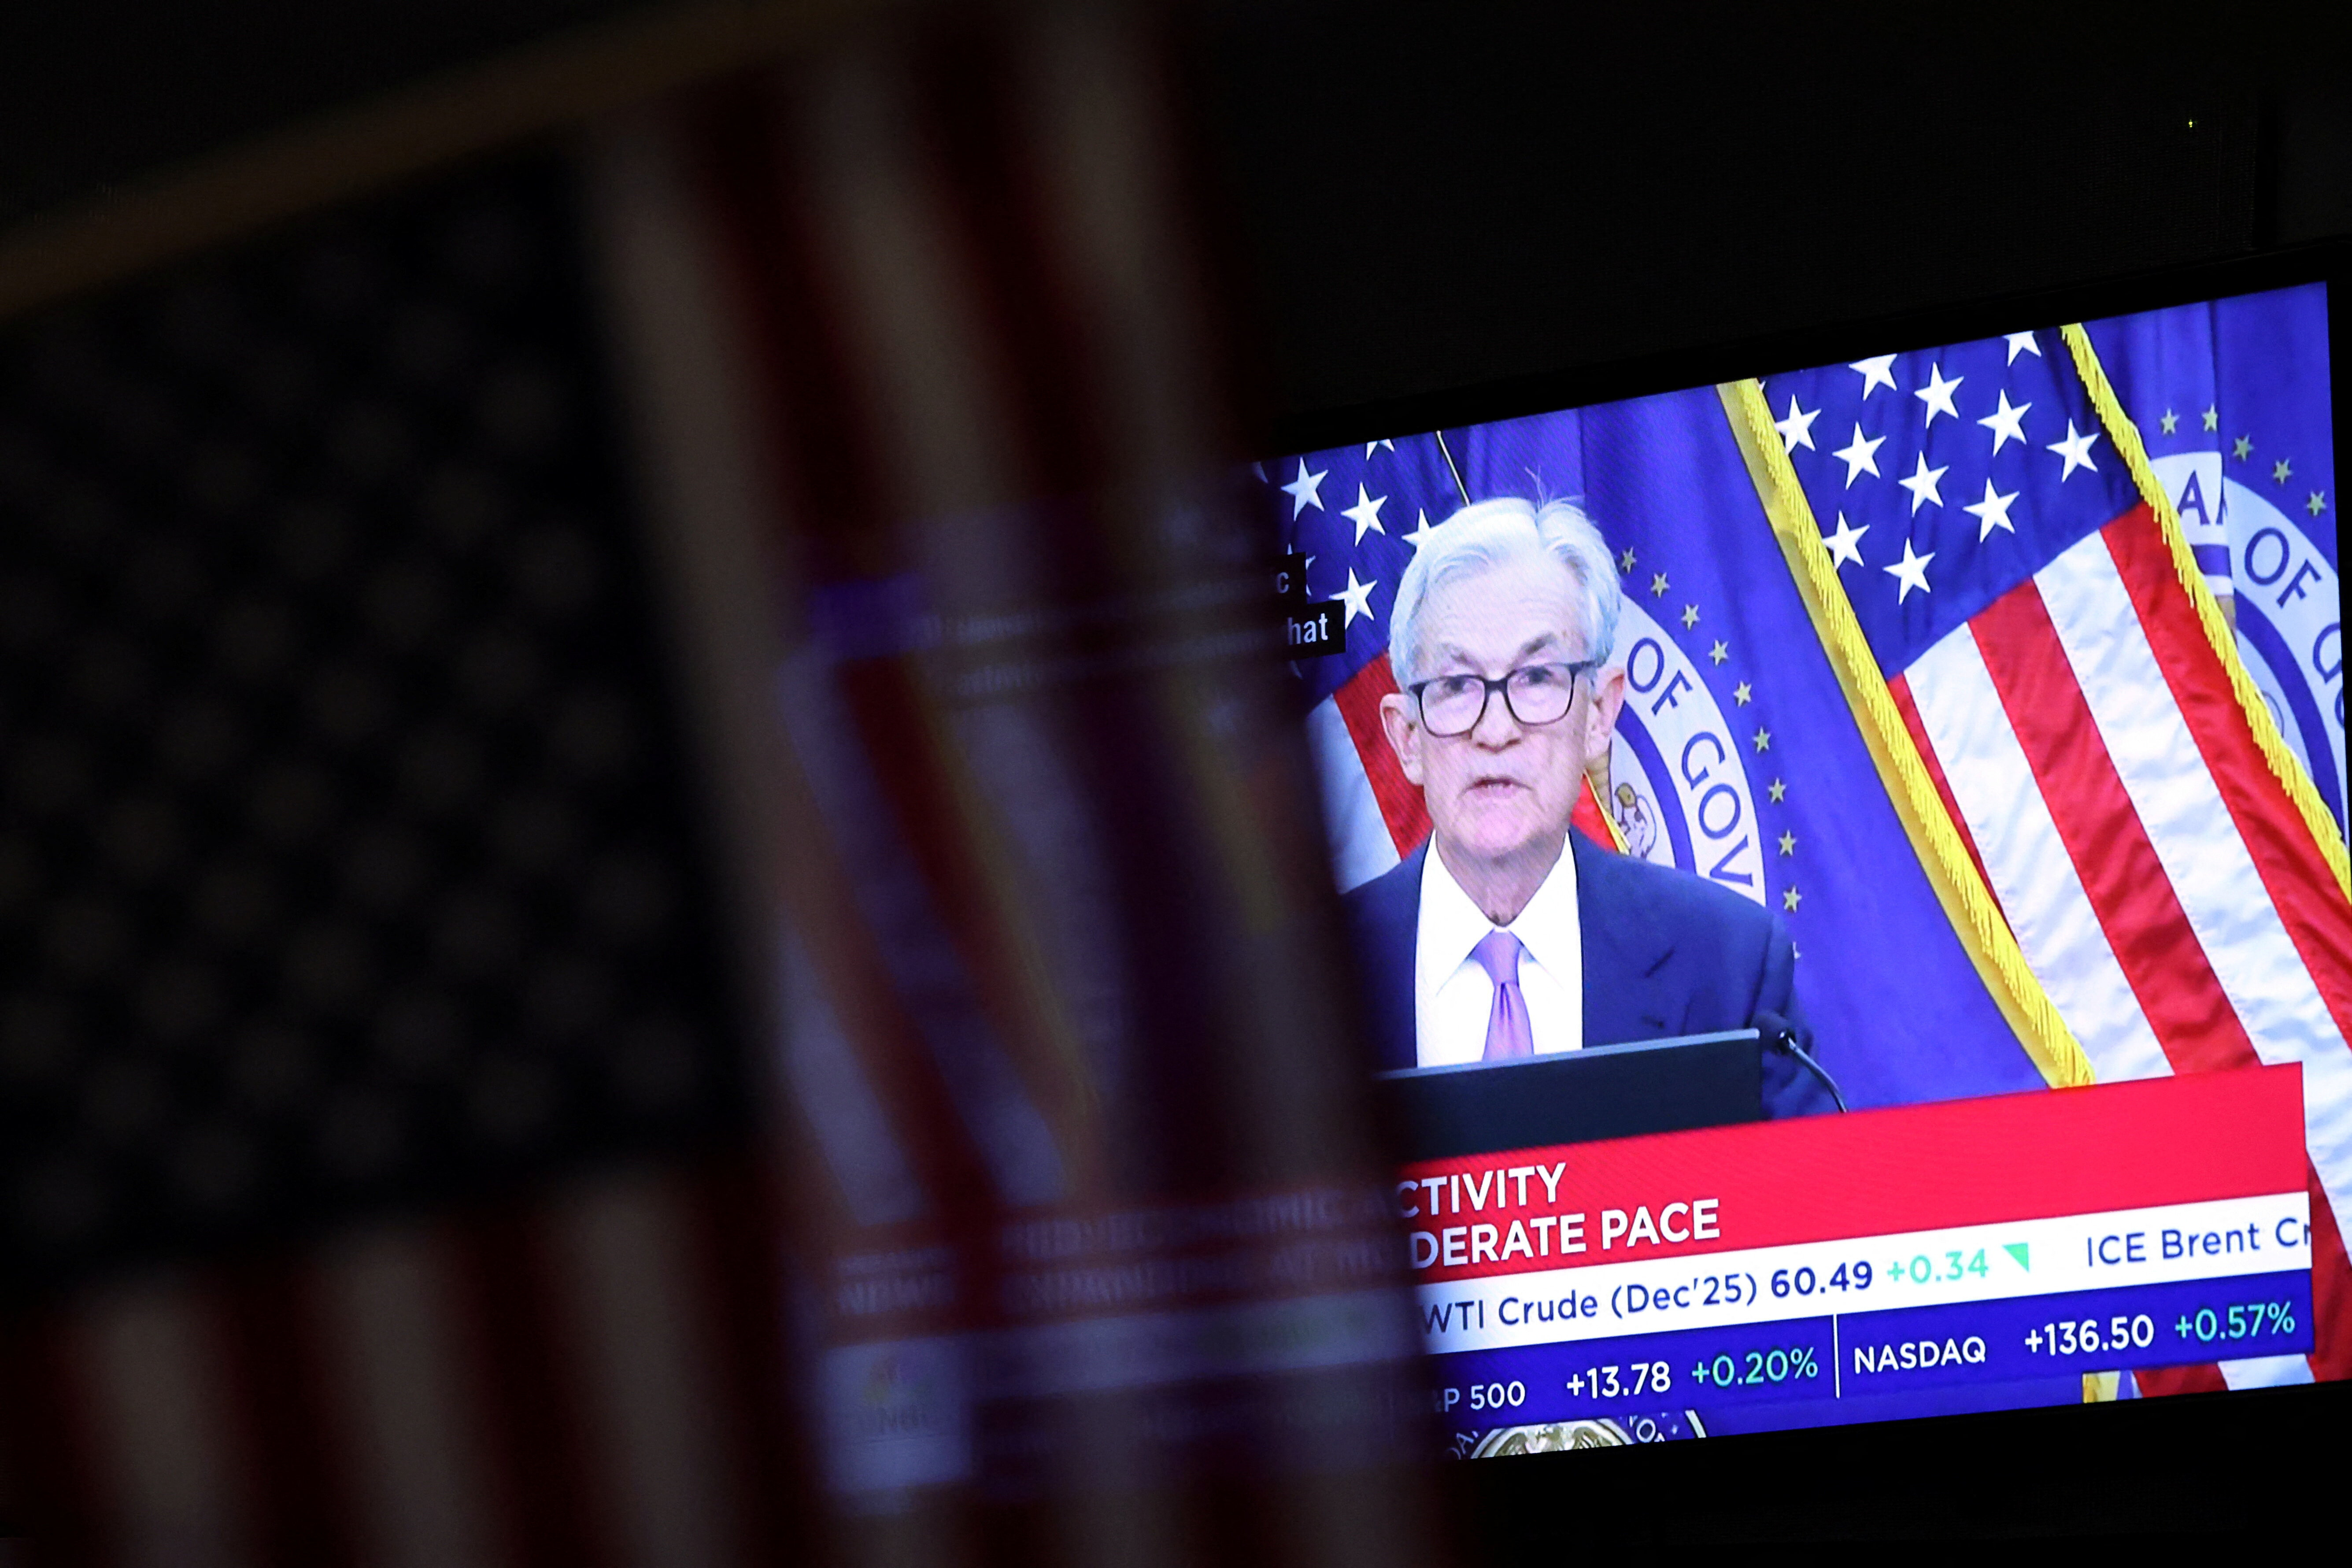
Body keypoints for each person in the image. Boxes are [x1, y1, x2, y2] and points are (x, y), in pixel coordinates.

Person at [1342, 496, 1830, 1118]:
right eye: (1458, 686)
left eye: (1537, 678)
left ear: (1600, 713)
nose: (1496, 730)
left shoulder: (1727, 968)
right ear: (1407, 736)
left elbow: (1809, 1206)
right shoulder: (1298, 989)